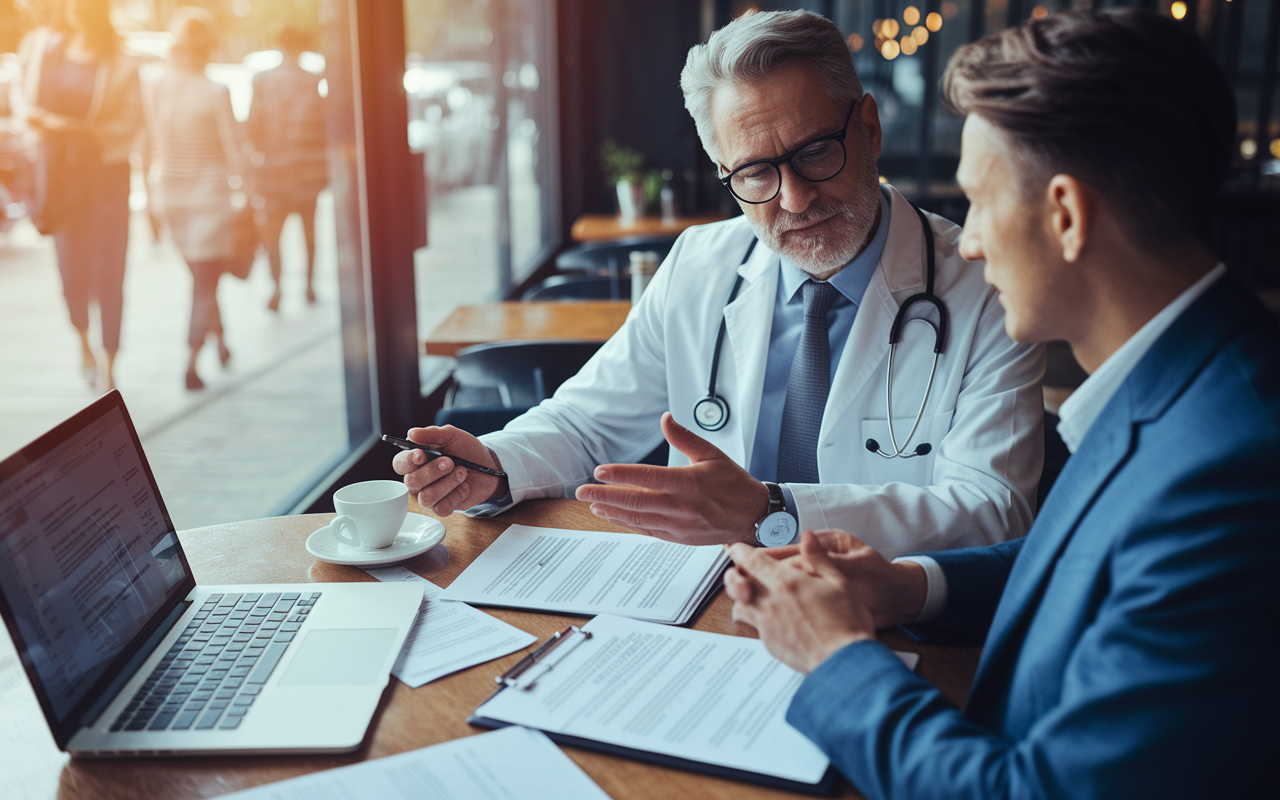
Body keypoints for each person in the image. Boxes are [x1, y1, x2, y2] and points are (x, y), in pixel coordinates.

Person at [723, 9, 1280, 799]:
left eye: (979, 202)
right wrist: (908, 586)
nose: (971, 242)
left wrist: (833, 656)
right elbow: (1096, 561)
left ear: (1065, 215)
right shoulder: (1186, 384)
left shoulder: (1238, 475)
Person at [395, 10, 1046, 557]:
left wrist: (771, 510)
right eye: (756, 172)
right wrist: (491, 464)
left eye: (816, 151)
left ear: (870, 129)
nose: (794, 198)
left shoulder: (988, 288)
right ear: (724, 173)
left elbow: (992, 510)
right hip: (703, 602)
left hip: (886, 615)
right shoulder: (699, 264)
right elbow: (587, 424)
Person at [16, 0, 141, 391]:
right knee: (71, 269)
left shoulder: (123, 61)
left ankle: (109, 361)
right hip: (61, 178)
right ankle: (83, 342)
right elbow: (26, 103)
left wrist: (75, 129)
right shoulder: (45, 49)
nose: (70, 8)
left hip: (105, 176)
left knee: (110, 269)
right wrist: (45, 123)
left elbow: (130, 123)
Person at [141, 8, 247, 390]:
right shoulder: (215, 90)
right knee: (204, 283)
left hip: (169, 195)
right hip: (210, 198)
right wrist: (250, 195)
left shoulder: (152, 82)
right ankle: (190, 362)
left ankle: (221, 341)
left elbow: (148, 140)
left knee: (202, 277)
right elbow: (234, 151)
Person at [247, 25, 327, 312]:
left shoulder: (263, 80)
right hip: (308, 173)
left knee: (273, 236)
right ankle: (308, 286)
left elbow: (252, 126)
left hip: (273, 173)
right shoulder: (313, 81)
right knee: (309, 233)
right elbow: (324, 130)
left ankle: (277, 287)